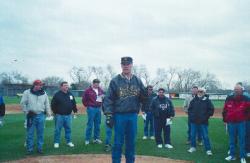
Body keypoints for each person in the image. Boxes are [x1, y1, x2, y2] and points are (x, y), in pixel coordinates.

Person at [103, 56, 146, 163]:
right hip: (119, 115)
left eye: (128, 64)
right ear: (121, 65)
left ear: (131, 65)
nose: (126, 66)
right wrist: (108, 114)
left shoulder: (137, 80)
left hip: (133, 115)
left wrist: (146, 95)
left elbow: (143, 97)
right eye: (124, 64)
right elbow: (108, 99)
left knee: (131, 142)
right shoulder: (115, 81)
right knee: (118, 142)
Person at [20, 79, 52, 154]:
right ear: (35, 85)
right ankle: (29, 149)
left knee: (40, 133)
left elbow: (47, 103)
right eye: (39, 85)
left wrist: (49, 112)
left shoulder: (44, 93)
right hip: (31, 115)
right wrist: (26, 112)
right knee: (30, 133)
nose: (41, 86)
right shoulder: (27, 92)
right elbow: (23, 103)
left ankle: (40, 148)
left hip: (41, 115)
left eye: (41, 85)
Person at [223, 84, 249, 163]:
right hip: (231, 123)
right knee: (232, 140)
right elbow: (225, 110)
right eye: (235, 89)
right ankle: (232, 155)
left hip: (241, 123)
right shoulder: (229, 98)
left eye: (238, 89)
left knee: (242, 140)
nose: (236, 91)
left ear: (242, 90)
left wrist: (245, 119)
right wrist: (225, 120)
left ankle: (242, 157)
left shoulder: (246, 98)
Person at [187, 87, 214, 156]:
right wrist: (192, 117)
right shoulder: (193, 100)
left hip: (203, 122)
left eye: (201, 91)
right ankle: (193, 147)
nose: (200, 93)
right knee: (192, 135)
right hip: (194, 122)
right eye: (199, 91)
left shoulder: (207, 101)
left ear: (204, 93)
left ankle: (208, 149)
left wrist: (205, 117)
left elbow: (211, 110)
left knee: (205, 136)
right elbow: (189, 110)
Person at [51, 81, 77, 148]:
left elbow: (73, 103)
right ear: (61, 87)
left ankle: (69, 142)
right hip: (59, 116)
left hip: (68, 115)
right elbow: (53, 105)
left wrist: (75, 111)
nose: (66, 86)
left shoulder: (70, 94)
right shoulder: (57, 94)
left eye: (67, 85)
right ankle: (56, 142)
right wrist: (56, 112)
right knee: (57, 130)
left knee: (68, 129)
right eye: (65, 85)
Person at [82, 78, 104, 145]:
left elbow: (101, 98)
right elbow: (84, 99)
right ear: (93, 83)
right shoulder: (88, 90)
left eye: (98, 83)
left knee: (97, 124)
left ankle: (96, 139)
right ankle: (87, 139)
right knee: (90, 124)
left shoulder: (100, 90)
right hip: (91, 108)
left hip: (98, 109)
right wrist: (88, 106)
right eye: (96, 83)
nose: (97, 84)